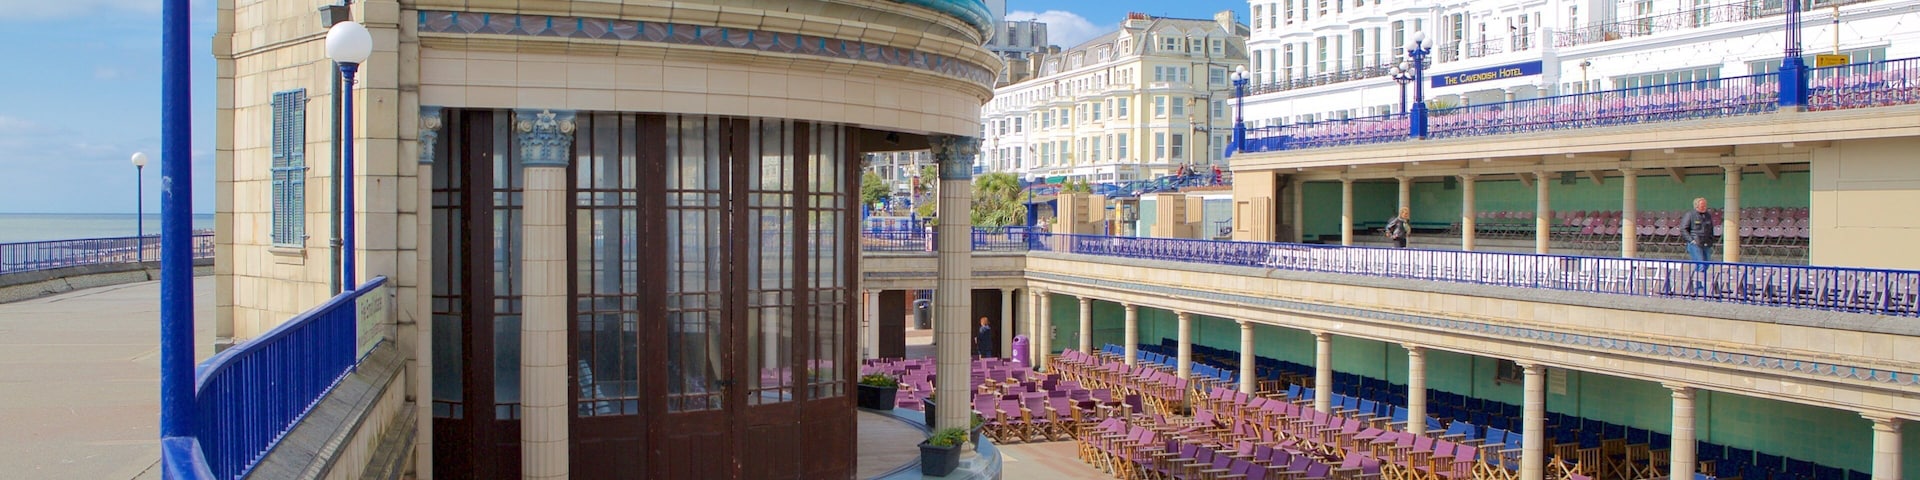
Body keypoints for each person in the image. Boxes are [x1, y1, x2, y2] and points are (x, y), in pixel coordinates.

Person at [1681, 197, 1715, 264]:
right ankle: (1698, 274)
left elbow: (1711, 229)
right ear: (1697, 206)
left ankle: (1699, 274)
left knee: (1707, 264)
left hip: (1706, 243)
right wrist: (1691, 240)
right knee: (1700, 264)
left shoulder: (1708, 215)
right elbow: (1683, 229)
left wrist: (1711, 239)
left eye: (1705, 205)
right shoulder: (1690, 215)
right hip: (1695, 243)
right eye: (1702, 206)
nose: (1705, 207)